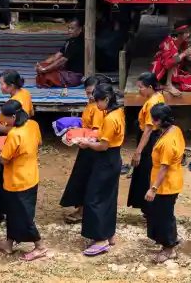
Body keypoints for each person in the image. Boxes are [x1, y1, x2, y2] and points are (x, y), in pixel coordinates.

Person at [0, 99, 48, 260]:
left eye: (6, 119)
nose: (4, 122)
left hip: (17, 180)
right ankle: (8, 245)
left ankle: (40, 246)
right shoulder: (33, 125)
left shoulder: (14, 134)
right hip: (31, 175)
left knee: (23, 216)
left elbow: (4, 159)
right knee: (14, 213)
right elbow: (39, 142)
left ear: (14, 117)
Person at [78, 82, 125, 257]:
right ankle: (109, 233)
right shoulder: (117, 112)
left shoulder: (110, 118)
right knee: (108, 196)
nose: (96, 105)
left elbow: (103, 146)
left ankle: (100, 239)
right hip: (114, 158)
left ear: (106, 99)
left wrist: (87, 143)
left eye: (98, 101)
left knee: (94, 197)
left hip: (106, 158)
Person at [0, 70, 34, 221]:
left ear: (11, 85)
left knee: (0, 175)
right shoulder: (25, 94)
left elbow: (14, 128)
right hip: (20, 142)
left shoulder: (19, 99)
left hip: (10, 141)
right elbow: (30, 113)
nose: (0, 87)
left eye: (2, 84)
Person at [61, 75, 105, 224]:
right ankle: (81, 207)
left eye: (93, 92)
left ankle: (83, 210)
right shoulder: (90, 105)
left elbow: (97, 132)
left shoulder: (99, 108)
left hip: (92, 146)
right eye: (87, 93)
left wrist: (83, 137)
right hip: (86, 144)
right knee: (81, 177)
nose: (90, 96)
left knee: (87, 178)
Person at [144, 102, 185, 264]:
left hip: (165, 185)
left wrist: (153, 189)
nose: (152, 123)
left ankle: (169, 248)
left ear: (160, 120)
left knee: (164, 216)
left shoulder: (167, 141)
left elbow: (164, 168)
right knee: (164, 213)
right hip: (172, 180)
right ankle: (170, 239)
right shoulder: (175, 130)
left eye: (153, 120)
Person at [127, 72, 165, 214]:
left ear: (150, 87)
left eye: (141, 87)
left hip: (149, 141)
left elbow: (148, 131)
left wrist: (138, 152)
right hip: (152, 137)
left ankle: (149, 208)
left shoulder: (152, 103)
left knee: (146, 172)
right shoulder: (158, 96)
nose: (139, 90)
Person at [36, 16, 85, 88]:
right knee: (42, 68)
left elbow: (62, 61)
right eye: (69, 28)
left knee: (46, 74)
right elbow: (57, 55)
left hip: (74, 76)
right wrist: (43, 64)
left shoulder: (78, 43)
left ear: (80, 29)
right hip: (66, 71)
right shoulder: (70, 41)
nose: (69, 30)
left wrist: (45, 69)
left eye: (72, 28)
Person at [150, 25, 191, 95]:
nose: (188, 34)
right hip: (161, 70)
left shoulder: (183, 42)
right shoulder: (169, 41)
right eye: (186, 32)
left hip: (173, 70)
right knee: (175, 57)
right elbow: (167, 63)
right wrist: (184, 54)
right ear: (180, 34)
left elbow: (189, 57)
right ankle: (168, 84)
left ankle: (163, 86)